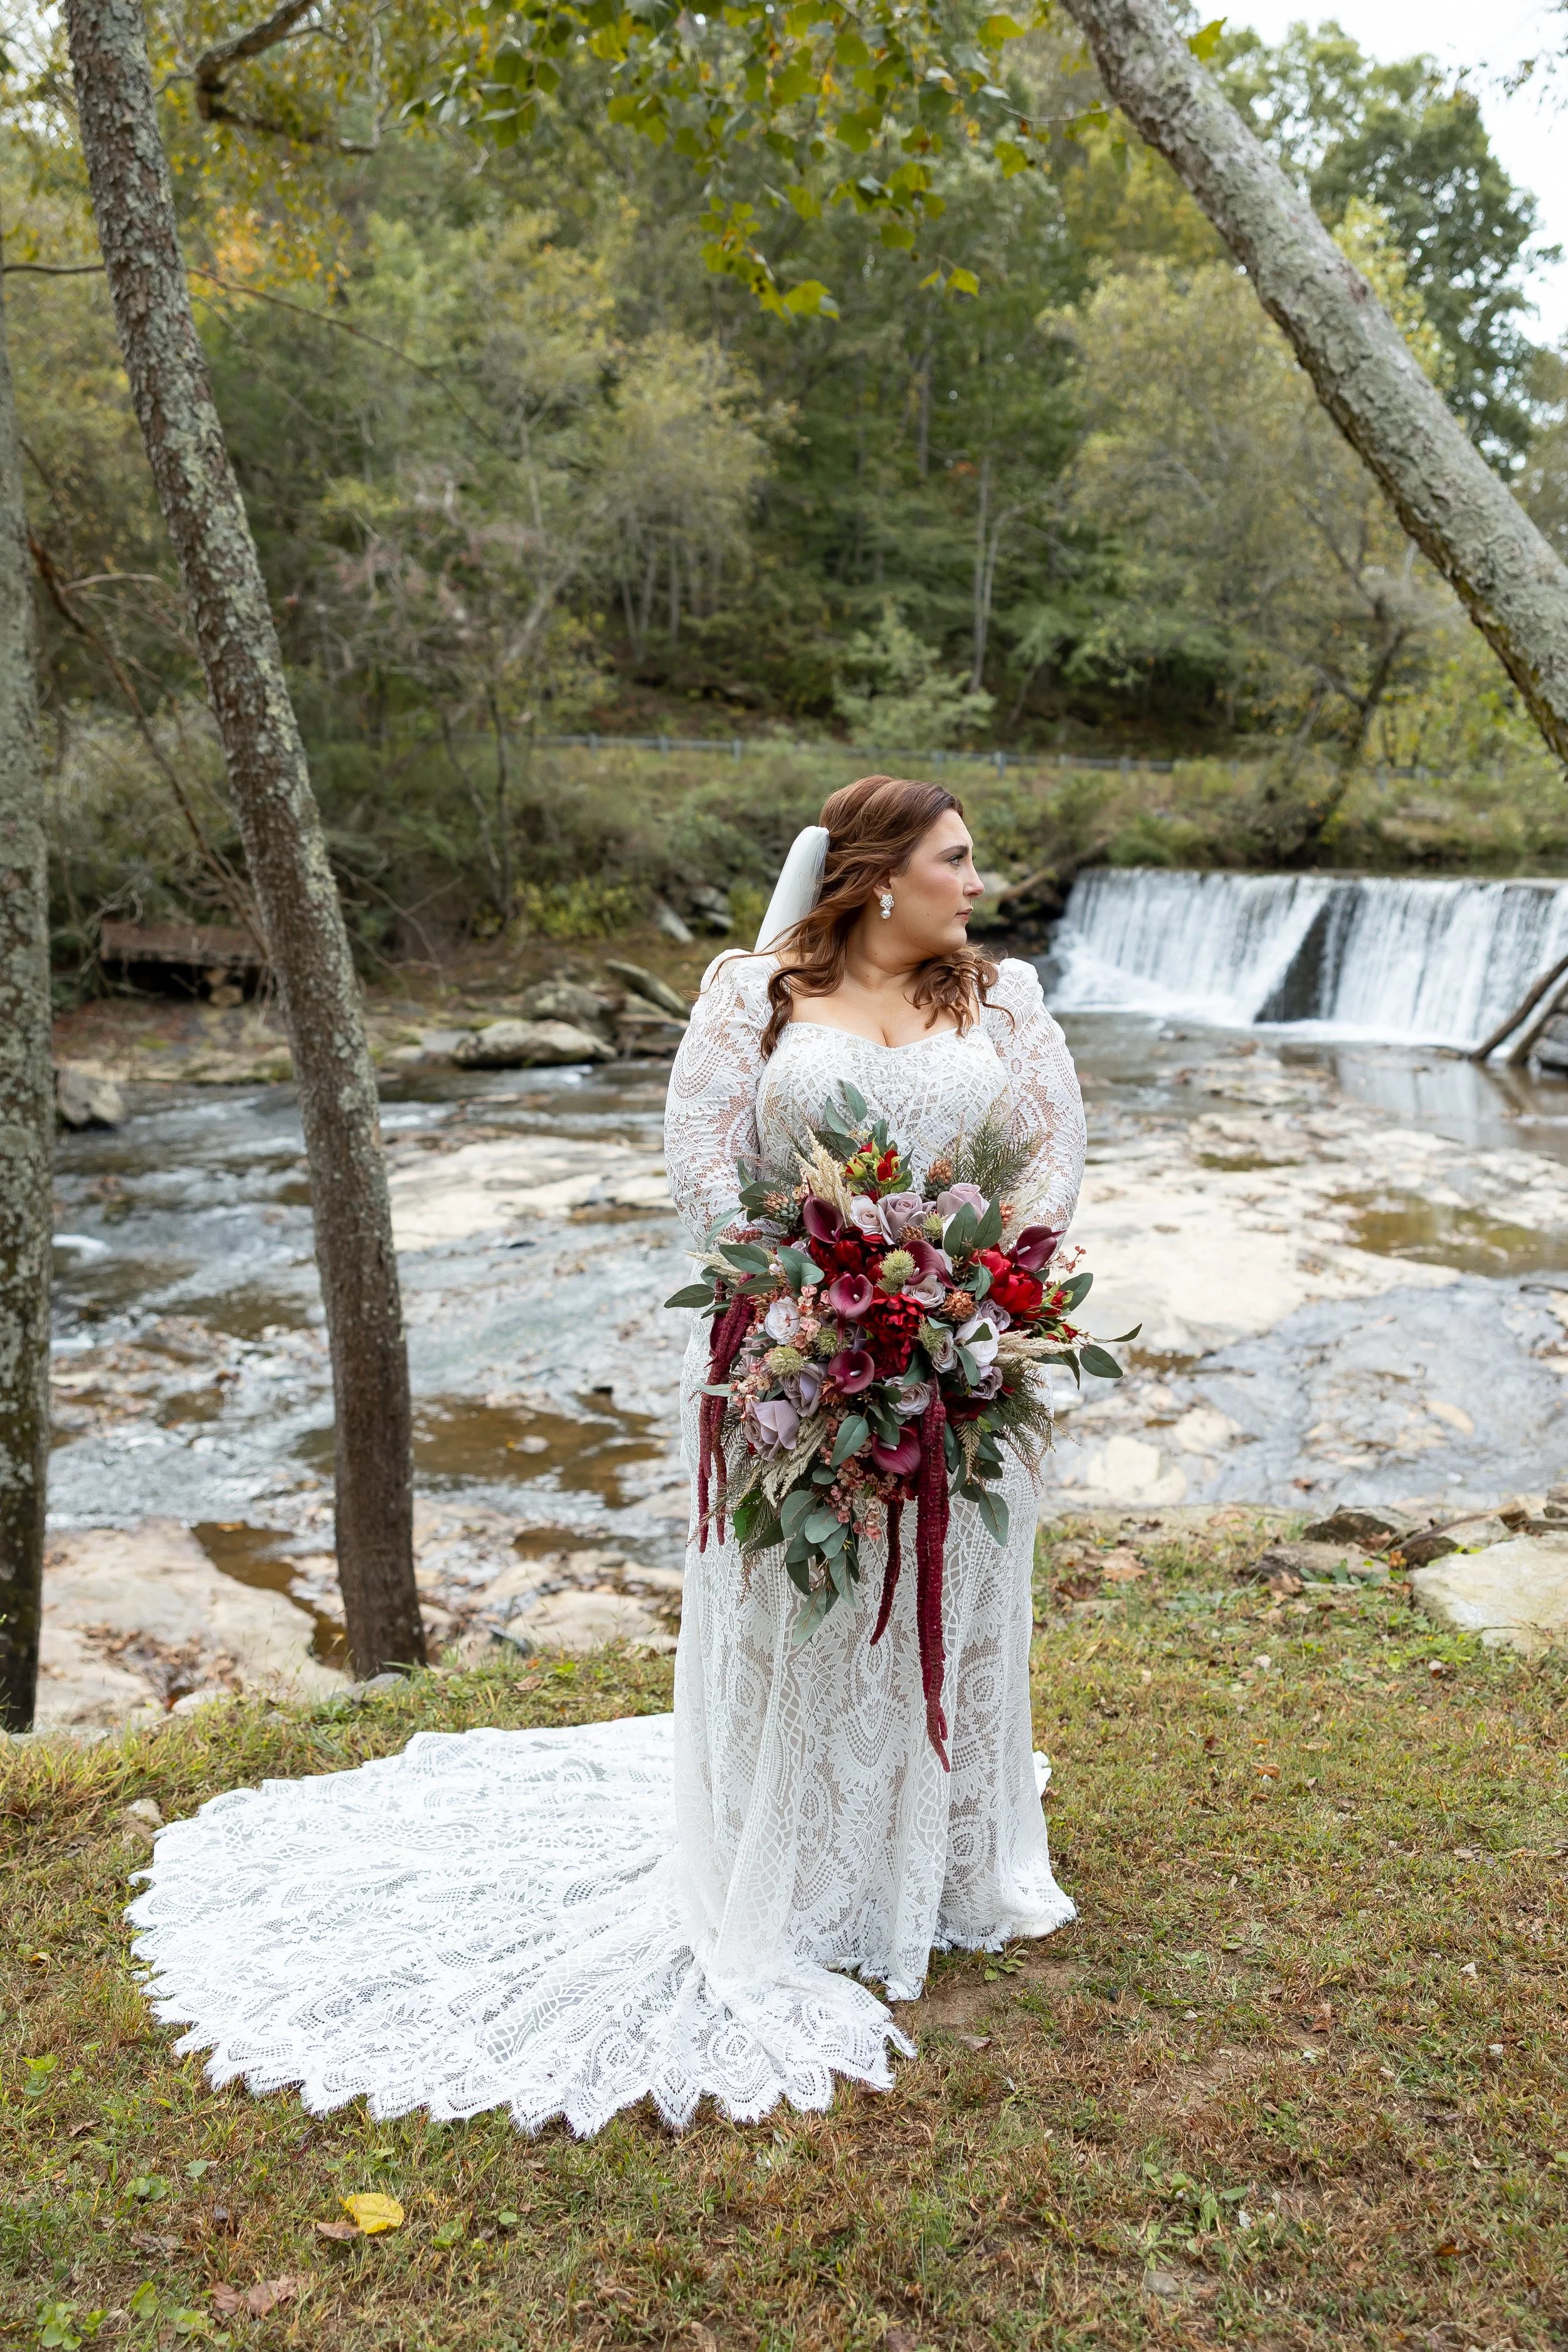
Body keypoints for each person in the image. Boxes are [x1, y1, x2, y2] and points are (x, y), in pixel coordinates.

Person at [127, 773, 1088, 2141]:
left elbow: (1051, 1158)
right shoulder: (751, 999)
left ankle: (934, 1870)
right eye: (956, 858)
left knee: (952, 1593)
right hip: (799, 1353)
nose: (976, 882)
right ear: (877, 875)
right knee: (803, 1610)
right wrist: (805, 1299)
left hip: (960, 1349)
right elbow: (699, 1163)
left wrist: (982, 1290)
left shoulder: (1000, 1004)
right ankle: (800, 1870)